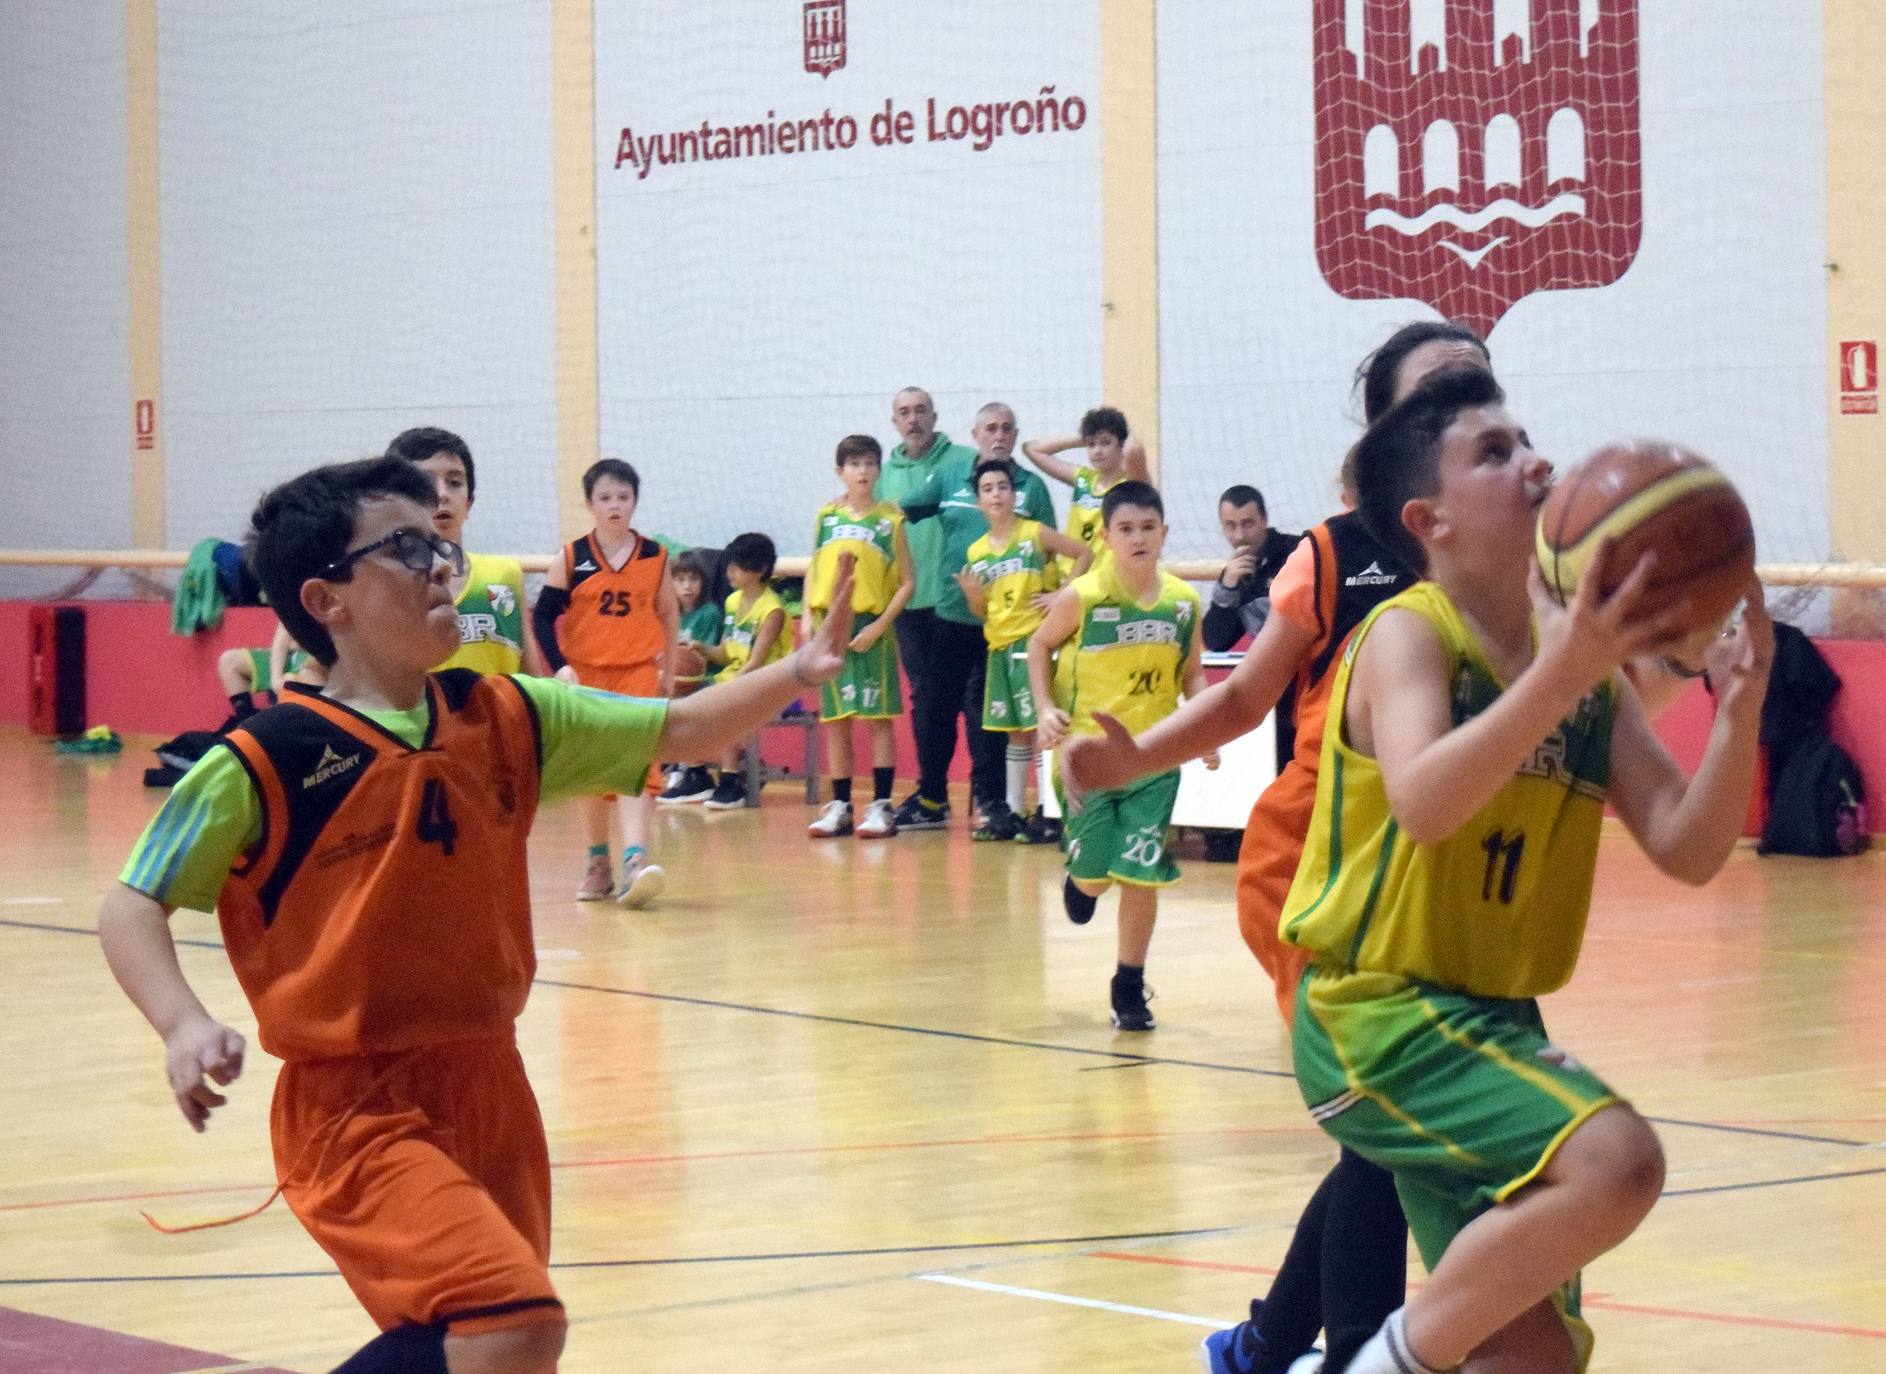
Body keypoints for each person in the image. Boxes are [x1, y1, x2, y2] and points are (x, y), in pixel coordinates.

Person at [98, 455, 861, 1374]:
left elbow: (683, 730)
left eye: (439, 541)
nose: (438, 562)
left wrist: (799, 672)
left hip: (491, 1082)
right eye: (405, 546)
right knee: (514, 1321)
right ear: (326, 598)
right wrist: (182, 1023)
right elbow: (131, 904)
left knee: (490, 1345)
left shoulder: (506, 713)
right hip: (355, 1105)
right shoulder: (266, 757)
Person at [1289, 366, 1768, 1373]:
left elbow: (1685, 847)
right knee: (1616, 1161)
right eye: (1493, 452)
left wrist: (1737, 710)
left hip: (1491, 1020)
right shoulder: (1408, 635)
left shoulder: (1588, 688)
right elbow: (1423, 802)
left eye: (1527, 439)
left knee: (1531, 1357)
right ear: (1431, 520)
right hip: (1374, 1011)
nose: (1535, 459)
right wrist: (1567, 670)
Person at [1065, 321, 1490, 1374]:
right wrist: (1132, 763)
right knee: (1377, 1120)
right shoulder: (1336, 553)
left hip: (1435, 870)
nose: (1464, 394)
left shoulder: (1504, 554)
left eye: (1475, 377)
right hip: (1316, 863)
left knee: (1383, 1126)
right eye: (1437, 384)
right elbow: (1247, 696)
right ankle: (1346, 1353)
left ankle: (1261, 1346)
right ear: (1389, 422)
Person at [1027, 481, 1213, 1032]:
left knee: (1142, 874)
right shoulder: (1082, 596)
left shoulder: (1183, 601)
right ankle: (1080, 880)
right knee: (1096, 878)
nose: (1138, 538)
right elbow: (1039, 646)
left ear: (1163, 533)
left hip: (1154, 758)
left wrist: (1206, 728)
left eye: (1147, 528)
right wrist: (1043, 709)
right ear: (1106, 536)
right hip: (1086, 757)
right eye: (1126, 529)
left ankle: (1128, 983)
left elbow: (1194, 673)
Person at [895, 402, 1058, 835]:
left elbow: (1052, 550)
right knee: (933, 706)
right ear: (975, 435)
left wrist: (1055, 599)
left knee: (992, 717)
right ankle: (931, 798)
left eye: (1007, 428)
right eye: (990, 428)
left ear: (1016, 432)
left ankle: (994, 803)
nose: (998, 435)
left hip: (1009, 627)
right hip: (952, 613)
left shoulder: (1032, 488)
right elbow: (900, 512)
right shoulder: (950, 477)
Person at [531, 458, 679, 907]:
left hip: (637, 672)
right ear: (589, 504)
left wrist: (668, 668)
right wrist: (558, 665)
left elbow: (669, 612)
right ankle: (598, 862)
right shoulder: (573, 557)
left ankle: (636, 860)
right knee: (591, 770)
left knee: (637, 765)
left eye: (623, 497)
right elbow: (541, 617)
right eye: (605, 498)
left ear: (634, 501)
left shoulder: (654, 556)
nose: (615, 506)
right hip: (586, 676)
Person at [954, 457, 1090, 842]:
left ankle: (1053, 811)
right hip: (999, 645)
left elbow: (1085, 553)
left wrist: (1063, 592)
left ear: (1014, 494)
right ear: (978, 501)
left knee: (1043, 728)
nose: (996, 494)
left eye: (1002, 487)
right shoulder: (977, 552)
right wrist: (973, 598)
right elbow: (981, 612)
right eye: (988, 489)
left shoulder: (1034, 533)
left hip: (1034, 643)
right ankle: (1014, 811)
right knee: (1015, 731)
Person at [872, 386, 982, 830]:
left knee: (974, 698)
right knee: (926, 701)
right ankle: (932, 795)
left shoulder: (964, 462)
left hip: (958, 601)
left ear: (935, 416)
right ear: (894, 421)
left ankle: (985, 794)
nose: (913, 418)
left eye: (921, 411)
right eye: (904, 412)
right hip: (910, 604)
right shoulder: (882, 476)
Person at [805, 436, 914, 838]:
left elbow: (907, 582)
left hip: (869, 625)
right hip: (829, 625)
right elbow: (814, 568)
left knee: (877, 717)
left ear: (879, 471)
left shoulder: (890, 520)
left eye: (870, 464)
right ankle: (840, 805)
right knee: (836, 719)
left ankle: (882, 805)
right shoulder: (826, 517)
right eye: (854, 464)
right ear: (840, 472)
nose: (863, 471)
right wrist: (806, 621)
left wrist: (879, 626)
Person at [386, 427, 541, 677]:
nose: (443, 494)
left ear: (469, 502)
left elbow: (534, 683)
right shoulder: (381, 585)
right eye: (425, 483)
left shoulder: (505, 575)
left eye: (455, 482)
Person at [681, 533, 791, 811]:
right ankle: (696, 774)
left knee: (723, 701)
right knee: (683, 696)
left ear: (760, 570)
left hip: (769, 682)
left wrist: (726, 687)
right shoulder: (732, 602)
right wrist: (699, 647)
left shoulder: (773, 610)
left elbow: (756, 661)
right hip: (738, 676)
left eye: (737, 566)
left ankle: (731, 780)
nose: (729, 571)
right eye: (729, 565)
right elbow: (726, 653)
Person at [1019, 405, 1151, 570]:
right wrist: (1086, 435)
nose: (1097, 451)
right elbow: (1031, 449)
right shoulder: (1083, 478)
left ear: (1121, 445)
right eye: (1091, 444)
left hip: (1106, 584)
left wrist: (1117, 430)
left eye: (1105, 443)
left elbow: (1134, 450)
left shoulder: (1130, 484)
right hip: (1072, 577)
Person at [655, 548, 725, 803]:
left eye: (694, 579)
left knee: (681, 703)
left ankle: (694, 773)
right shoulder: (668, 615)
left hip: (705, 681)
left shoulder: (709, 613)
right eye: (681, 580)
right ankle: (676, 765)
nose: (687, 587)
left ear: (704, 583)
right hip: (678, 684)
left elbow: (698, 662)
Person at [1202, 484, 1302, 652]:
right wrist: (1228, 588)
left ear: (1264, 520)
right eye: (1230, 525)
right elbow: (1216, 643)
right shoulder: (1235, 574)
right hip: (1272, 666)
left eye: (1247, 524)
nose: (1239, 535)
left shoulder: (1297, 552)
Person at [215, 620, 320, 728]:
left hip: (319, 662)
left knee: (290, 680)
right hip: (291, 656)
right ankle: (248, 726)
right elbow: (281, 637)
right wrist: (276, 678)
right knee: (229, 661)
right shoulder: (293, 604)